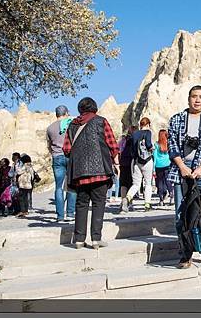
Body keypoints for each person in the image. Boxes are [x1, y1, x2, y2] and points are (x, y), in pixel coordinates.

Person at [167, 85, 201, 269]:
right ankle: (185, 253)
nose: (197, 100)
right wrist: (182, 166)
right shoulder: (176, 120)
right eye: (194, 96)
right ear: (188, 98)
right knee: (181, 213)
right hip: (180, 171)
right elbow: (172, 145)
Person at [63, 97, 119, 250]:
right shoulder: (101, 121)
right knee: (98, 204)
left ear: (80, 109)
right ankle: (96, 239)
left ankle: (79, 240)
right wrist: (116, 162)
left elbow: (66, 149)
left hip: (79, 174)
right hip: (100, 171)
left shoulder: (72, 125)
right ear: (95, 108)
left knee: (81, 205)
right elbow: (112, 144)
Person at [46, 105, 76, 222]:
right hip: (70, 156)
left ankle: (59, 216)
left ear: (56, 114)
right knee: (71, 186)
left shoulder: (50, 128)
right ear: (67, 113)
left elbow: (49, 146)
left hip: (57, 157)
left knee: (59, 187)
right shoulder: (71, 124)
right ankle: (70, 213)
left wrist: (54, 153)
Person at [123, 117, 155, 212]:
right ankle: (147, 204)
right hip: (147, 161)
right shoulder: (148, 132)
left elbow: (132, 149)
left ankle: (127, 198)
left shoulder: (135, 134)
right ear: (148, 124)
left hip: (136, 161)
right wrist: (151, 149)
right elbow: (148, 144)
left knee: (136, 184)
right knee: (148, 183)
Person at [119, 126, 137, 212]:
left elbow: (120, 150)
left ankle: (123, 202)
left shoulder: (123, 140)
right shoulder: (135, 140)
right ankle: (130, 203)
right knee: (131, 183)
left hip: (123, 163)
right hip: (132, 163)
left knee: (123, 184)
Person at [154, 129, 172, 206]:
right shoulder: (168, 144)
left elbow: (154, 156)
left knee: (160, 182)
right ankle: (171, 194)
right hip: (167, 164)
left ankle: (161, 200)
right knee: (168, 180)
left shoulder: (156, 145)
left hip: (158, 165)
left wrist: (153, 168)